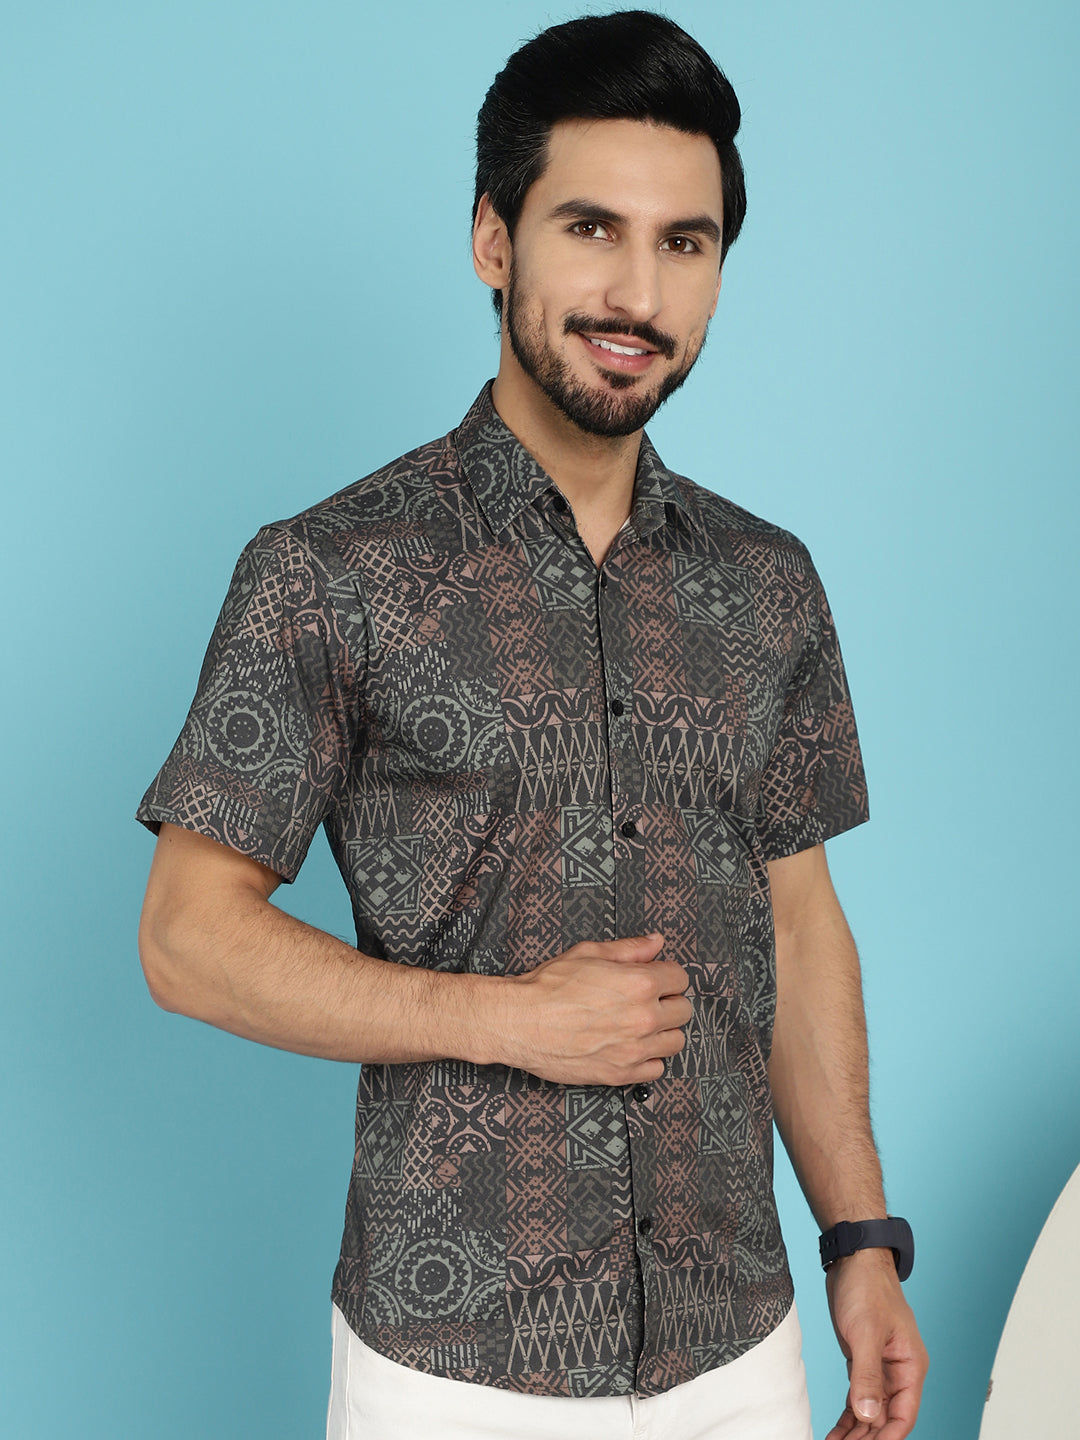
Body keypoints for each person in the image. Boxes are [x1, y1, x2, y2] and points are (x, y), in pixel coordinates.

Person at [137, 11, 927, 1438]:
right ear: (494, 240)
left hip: (738, 1355)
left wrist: (860, 1241)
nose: (638, 291)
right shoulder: (330, 569)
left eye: (684, 243)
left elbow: (800, 925)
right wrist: (510, 1020)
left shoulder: (769, 585)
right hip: (453, 1371)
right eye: (591, 228)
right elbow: (186, 938)